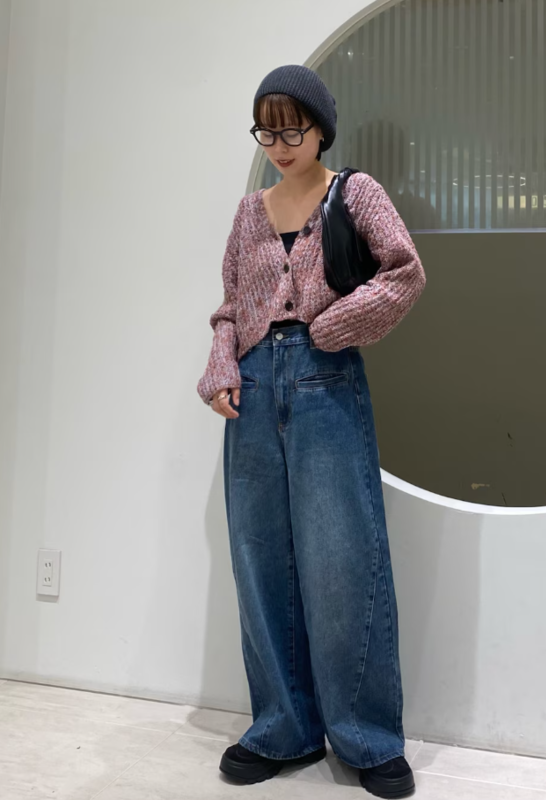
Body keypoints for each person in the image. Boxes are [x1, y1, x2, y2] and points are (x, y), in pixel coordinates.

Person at [197, 64, 426, 799]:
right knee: (258, 557)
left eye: (291, 128)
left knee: (342, 557)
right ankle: (282, 727)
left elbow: (403, 273)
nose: (279, 144)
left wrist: (332, 327)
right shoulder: (248, 213)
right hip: (254, 389)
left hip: (326, 383)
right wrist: (221, 367)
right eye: (266, 132)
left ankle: (367, 737)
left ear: (321, 126)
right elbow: (230, 306)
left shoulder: (355, 193)